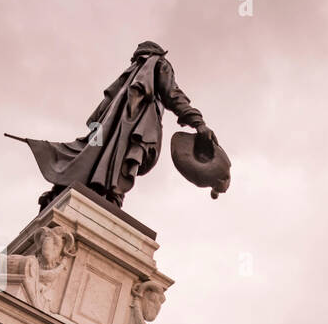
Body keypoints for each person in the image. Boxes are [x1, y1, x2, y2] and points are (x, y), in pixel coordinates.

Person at [13, 41, 216, 209]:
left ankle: (70, 189)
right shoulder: (158, 64)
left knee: (95, 153)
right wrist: (199, 123)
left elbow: (100, 113)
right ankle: (110, 194)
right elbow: (173, 95)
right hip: (137, 125)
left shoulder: (131, 74)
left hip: (109, 128)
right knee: (122, 156)